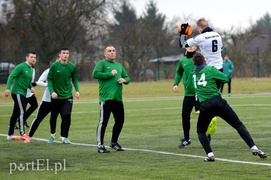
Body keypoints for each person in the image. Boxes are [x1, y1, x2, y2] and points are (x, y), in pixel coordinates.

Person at [192, 52, 267, 162]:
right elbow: (225, 79)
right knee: (238, 125)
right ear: (204, 61)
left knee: (201, 132)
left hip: (205, 106)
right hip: (218, 102)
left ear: (194, 63)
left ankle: (210, 154)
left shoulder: (193, 74)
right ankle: (254, 147)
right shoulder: (210, 69)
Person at [92, 45, 130, 153]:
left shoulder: (119, 66)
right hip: (106, 98)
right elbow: (95, 74)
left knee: (120, 120)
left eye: (113, 50)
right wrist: (110, 74)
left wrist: (124, 80)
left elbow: (128, 78)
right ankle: (100, 145)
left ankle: (114, 142)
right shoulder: (102, 63)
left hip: (117, 98)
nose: (112, 52)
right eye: (109, 51)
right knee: (103, 122)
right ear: (105, 54)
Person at [47, 48, 80, 144]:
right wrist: (52, 92)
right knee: (53, 117)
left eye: (67, 53)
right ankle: (52, 134)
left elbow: (75, 79)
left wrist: (77, 90)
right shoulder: (54, 66)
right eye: (63, 53)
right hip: (56, 97)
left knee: (67, 115)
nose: (65, 55)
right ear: (59, 55)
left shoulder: (72, 67)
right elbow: (49, 80)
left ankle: (64, 136)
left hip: (67, 95)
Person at [179, 18, 223, 89]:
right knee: (216, 93)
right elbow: (221, 50)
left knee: (206, 93)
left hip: (208, 69)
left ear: (199, 27)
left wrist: (182, 33)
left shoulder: (201, 37)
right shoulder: (217, 35)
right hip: (219, 68)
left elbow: (183, 44)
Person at [5, 51, 37, 141]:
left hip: (22, 93)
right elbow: (11, 76)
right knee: (22, 112)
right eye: (31, 57)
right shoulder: (21, 66)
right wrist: (7, 88)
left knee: (15, 113)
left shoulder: (31, 69)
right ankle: (22, 133)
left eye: (34, 57)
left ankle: (10, 135)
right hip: (17, 92)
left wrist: (31, 87)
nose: (33, 59)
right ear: (26, 58)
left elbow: (27, 81)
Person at [173, 46, 198, 148]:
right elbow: (179, 72)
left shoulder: (199, 58)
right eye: (189, 45)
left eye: (193, 45)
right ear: (186, 48)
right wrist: (175, 83)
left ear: (196, 47)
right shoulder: (182, 60)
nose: (191, 47)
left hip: (199, 94)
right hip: (188, 94)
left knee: (205, 115)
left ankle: (207, 136)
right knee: (185, 115)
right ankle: (186, 138)